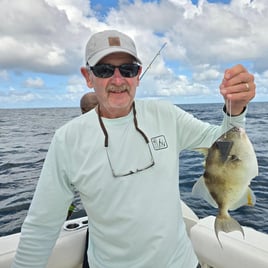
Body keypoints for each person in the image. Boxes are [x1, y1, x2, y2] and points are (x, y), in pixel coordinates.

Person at [12, 30, 255, 268]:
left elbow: (221, 143)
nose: (118, 80)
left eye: (127, 70)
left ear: (138, 75)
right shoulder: (67, 139)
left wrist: (236, 109)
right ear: (88, 76)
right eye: (105, 70)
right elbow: (42, 225)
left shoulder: (166, 115)